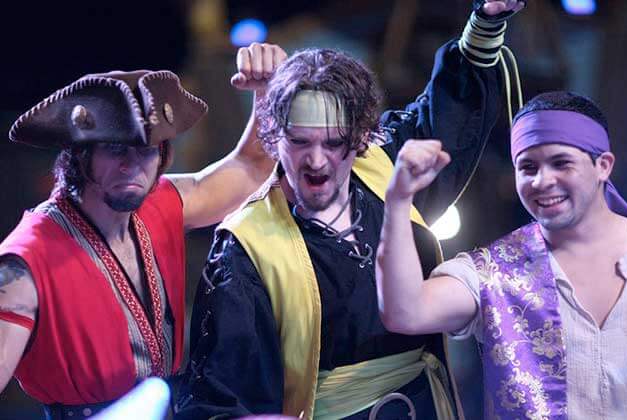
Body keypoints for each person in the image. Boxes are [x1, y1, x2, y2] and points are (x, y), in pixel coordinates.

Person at [176, 1, 525, 419]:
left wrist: (486, 20)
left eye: (333, 142)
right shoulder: (244, 249)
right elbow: (220, 396)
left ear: (360, 137)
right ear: (274, 138)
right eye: (300, 142)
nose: (317, 161)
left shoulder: (384, 166)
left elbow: (447, 108)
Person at [0, 43, 286, 419]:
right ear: (80, 154)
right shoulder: (25, 262)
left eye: (148, 150)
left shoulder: (159, 204)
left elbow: (251, 167)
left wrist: (268, 90)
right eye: (116, 149)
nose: (133, 165)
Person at [376, 90, 627, 419]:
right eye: (527, 167)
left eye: (561, 163)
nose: (542, 180)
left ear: (603, 166)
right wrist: (399, 199)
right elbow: (405, 312)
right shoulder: (496, 272)